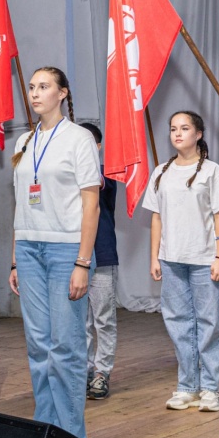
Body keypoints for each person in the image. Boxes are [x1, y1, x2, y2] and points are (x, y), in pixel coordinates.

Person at [8, 66, 101, 438]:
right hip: (28, 249)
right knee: (38, 346)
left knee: (65, 346)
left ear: (62, 93)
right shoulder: (23, 142)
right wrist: (15, 258)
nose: (34, 93)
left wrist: (82, 262)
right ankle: (44, 433)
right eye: (32, 87)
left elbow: (91, 204)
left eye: (43, 87)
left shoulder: (79, 138)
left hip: (67, 250)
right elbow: (20, 203)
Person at [143, 111, 219, 413]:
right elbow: (156, 218)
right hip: (171, 259)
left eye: (184, 128)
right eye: (173, 129)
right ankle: (187, 386)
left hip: (205, 258)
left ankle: (210, 388)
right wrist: (154, 256)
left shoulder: (211, 170)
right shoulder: (161, 172)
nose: (178, 133)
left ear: (198, 134)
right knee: (178, 324)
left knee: (209, 324)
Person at [79, 122, 119, 400]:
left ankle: (102, 372)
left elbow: (94, 181)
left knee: (103, 318)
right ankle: (82, 370)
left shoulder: (105, 174)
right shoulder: (66, 173)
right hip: (72, 257)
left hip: (102, 255)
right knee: (79, 320)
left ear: (98, 146)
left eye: (87, 143)